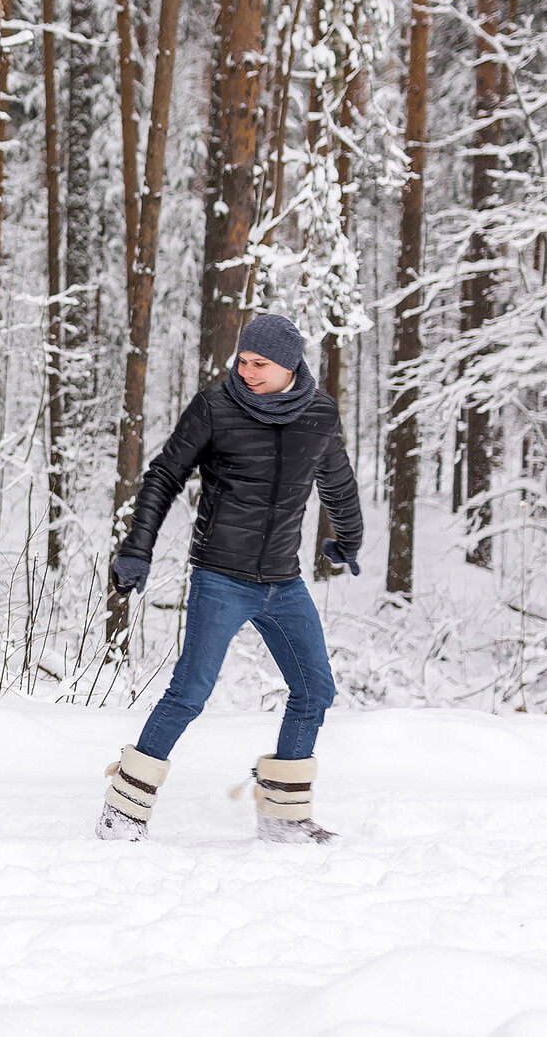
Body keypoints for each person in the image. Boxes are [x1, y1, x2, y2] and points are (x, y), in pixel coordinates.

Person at [97, 313, 363, 845]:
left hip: (283, 582)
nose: (245, 371)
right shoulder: (216, 407)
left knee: (315, 690)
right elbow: (164, 476)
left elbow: (336, 479)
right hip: (221, 578)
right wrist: (136, 550)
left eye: (258, 363)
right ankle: (123, 811)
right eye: (241, 359)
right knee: (189, 693)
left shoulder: (319, 414)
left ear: (289, 365)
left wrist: (348, 538)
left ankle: (284, 817)